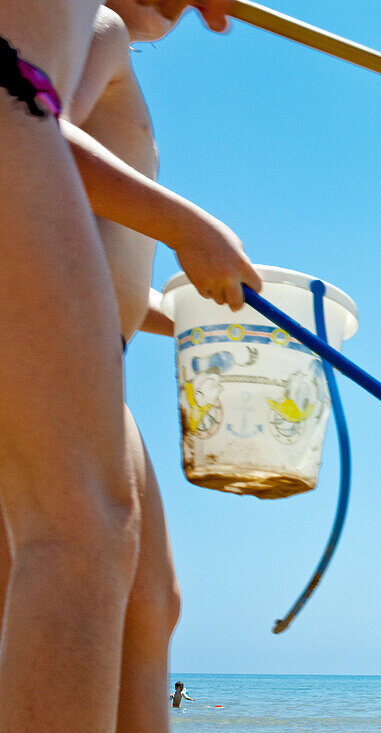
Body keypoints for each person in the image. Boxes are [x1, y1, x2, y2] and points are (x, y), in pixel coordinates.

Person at [0, 0, 252, 728]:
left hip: (91, 357)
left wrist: (189, 317)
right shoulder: (102, 28)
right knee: (73, 540)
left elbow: (80, 242)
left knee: (153, 599)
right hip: (54, 353)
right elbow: (38, 140)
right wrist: (182, 223)